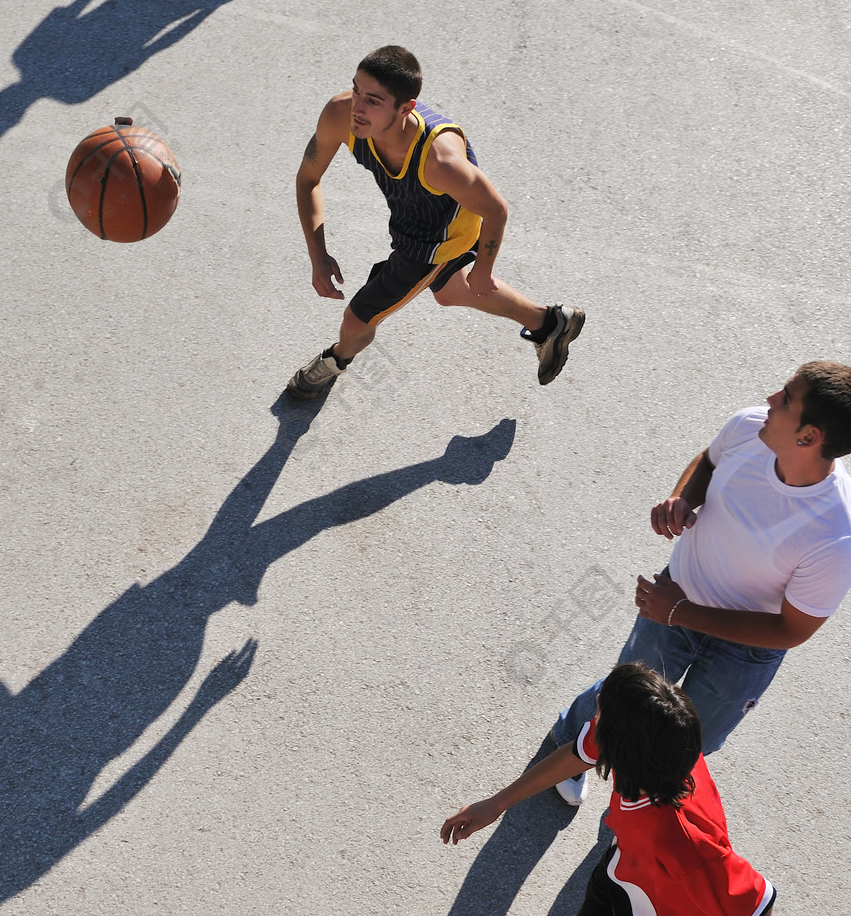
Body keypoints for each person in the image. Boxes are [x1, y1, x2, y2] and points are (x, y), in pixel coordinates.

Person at [552, 360, 851, 805]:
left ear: (809, 437)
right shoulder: (750, 426)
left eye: (786, 399)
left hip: (740, 653)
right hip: (674, 602)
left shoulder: (835, 533)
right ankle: (570, 744)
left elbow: (792, 631)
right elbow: (708, 462)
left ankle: (640, 812)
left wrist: (678, 612)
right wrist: (683, 499)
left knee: (686, 743)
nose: (770, 400)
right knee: (621, 700)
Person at [286, 45, 584, 399]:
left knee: (358, 318)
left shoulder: (440, 162)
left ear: (406, 108)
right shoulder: (341, 113)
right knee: (450, 291)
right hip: (413, 213)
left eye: (374, 101)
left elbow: (496, 210)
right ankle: (549, 322)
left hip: (435, 240)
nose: (358, 108)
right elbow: (308, 179)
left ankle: (335, 360)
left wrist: (484, 270)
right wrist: (317, 254)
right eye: (356, 90)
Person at [441, 663, 776, 916]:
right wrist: (497, 804)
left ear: (620, 746)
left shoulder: (685, 840)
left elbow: (757, 902)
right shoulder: (652, 744)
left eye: (601, 707)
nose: (597, 699)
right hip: (618, 875)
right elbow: (575, 754)